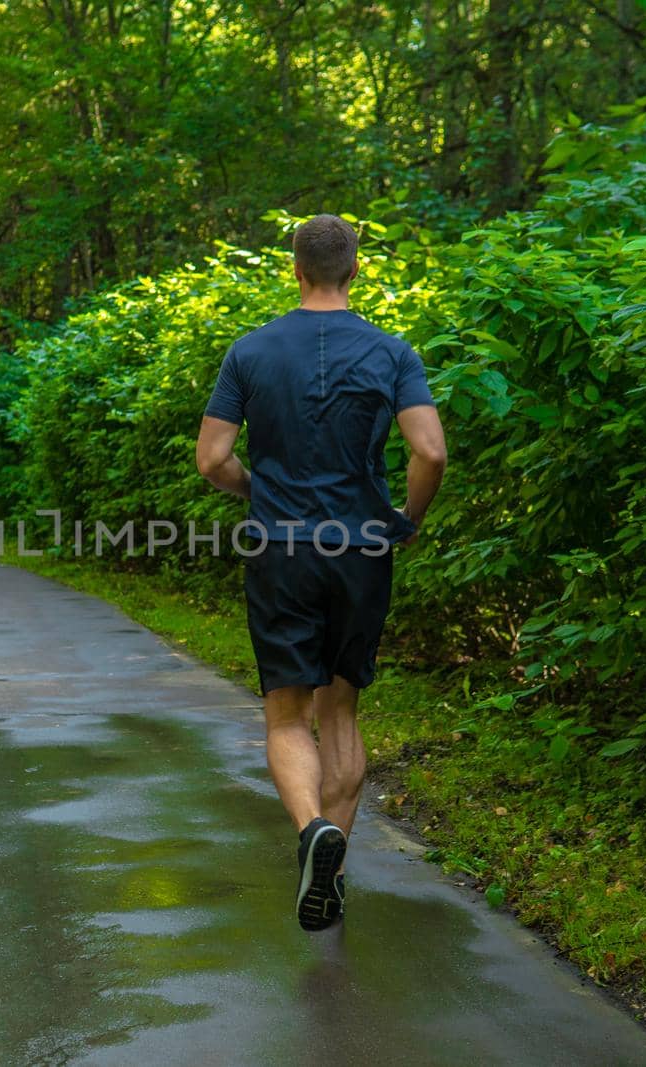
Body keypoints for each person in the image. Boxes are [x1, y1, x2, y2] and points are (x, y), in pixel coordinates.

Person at [195, 213, 447, 931]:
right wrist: (407, 520)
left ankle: (312, 833)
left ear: (295, 268)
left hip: (281, 548)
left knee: (286, 712)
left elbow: (212, 458)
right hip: (363, 549)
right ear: (355, 269)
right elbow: (430, 452)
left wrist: (258, 491)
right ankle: (331, 879)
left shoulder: (250, 351)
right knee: (339, 711)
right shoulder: (393, 352)